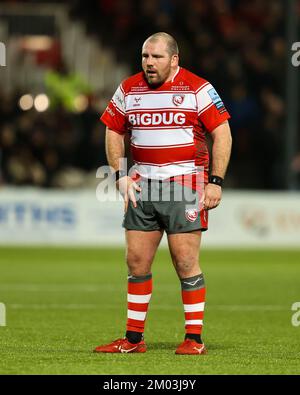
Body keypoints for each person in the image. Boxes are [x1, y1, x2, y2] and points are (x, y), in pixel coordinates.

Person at [94, 32, 232, 355]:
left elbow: (222, 134)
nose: (148, 63)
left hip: (186, 186)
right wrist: (119, 175)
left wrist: (216, 181)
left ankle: (194, 340)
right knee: (136, 261)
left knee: (185, 261)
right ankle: (132, 340)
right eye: (145, 57)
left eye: (155, 57)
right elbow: (113, 130)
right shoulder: (129, 89)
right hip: (143, 187)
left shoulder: (198, 88)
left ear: (174, 60)